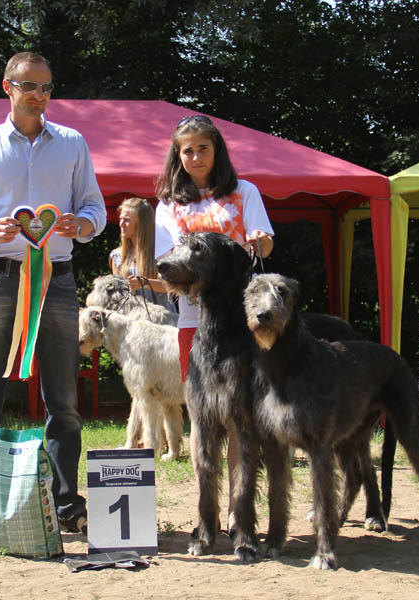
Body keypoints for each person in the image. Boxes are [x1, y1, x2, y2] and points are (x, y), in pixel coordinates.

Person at [0, 51, 106, 545]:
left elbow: (95, 208)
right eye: (29, 86)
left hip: (56, 280)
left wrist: (79, 225)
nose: (39, 95)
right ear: (7, 88)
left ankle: (67, 505)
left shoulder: (74, 144)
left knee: (64, 401)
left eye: (46, 87)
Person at [153, 114, 274, 532]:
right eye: (187, 150)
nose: (195, 156)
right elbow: (168, 263)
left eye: (203, 148)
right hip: (194, 321)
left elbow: (264, 239)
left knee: (244, 418)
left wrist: (259, 239)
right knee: (202, 419)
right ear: (178, 156)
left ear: (216, 150)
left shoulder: (244, 192)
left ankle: (239, 513)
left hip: (246, 320)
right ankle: (206, 514)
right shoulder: (169, 204)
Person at [108, 197, 175, 312]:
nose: (121, 224)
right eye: (121, 219)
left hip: (162, 317)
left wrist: (144, 283)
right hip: (131, 319)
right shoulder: (117, 255)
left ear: (141, 223)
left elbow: (171, 286)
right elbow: (117, 293)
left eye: (127, 220)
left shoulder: (161, 251)